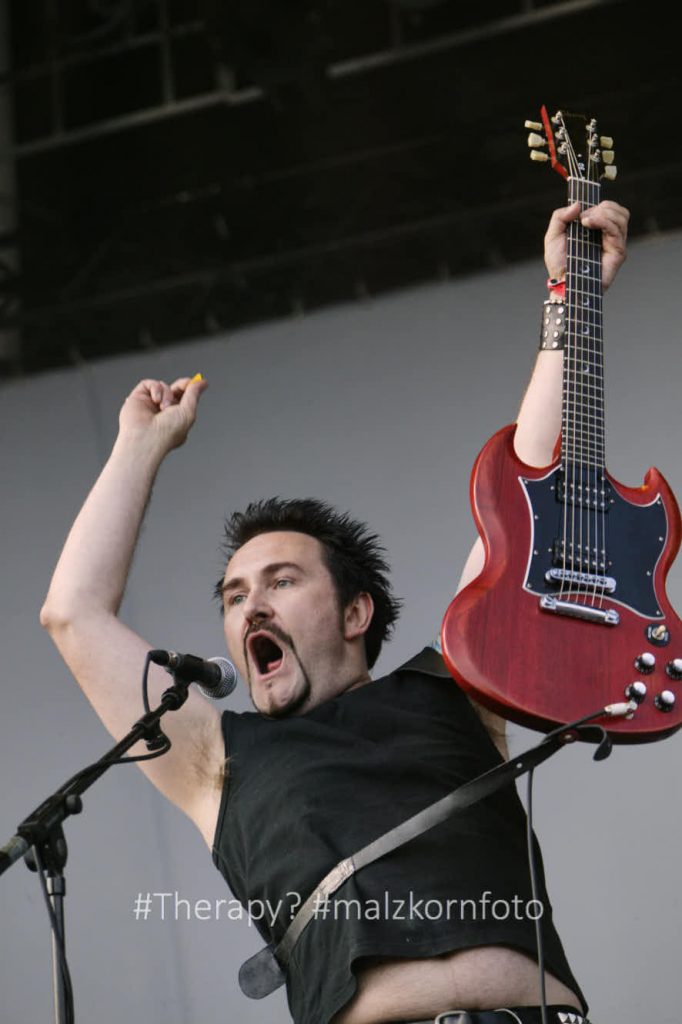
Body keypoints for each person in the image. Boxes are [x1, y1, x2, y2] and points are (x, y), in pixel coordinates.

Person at [40, 199, 629, 1024]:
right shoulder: (217, 758)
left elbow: (525, 499)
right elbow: (74, 613)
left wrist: (574, 295)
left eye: (281, 581)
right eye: (234, 596)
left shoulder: (456, 687)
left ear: (356, 613)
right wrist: (139, 447)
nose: (251, 605)